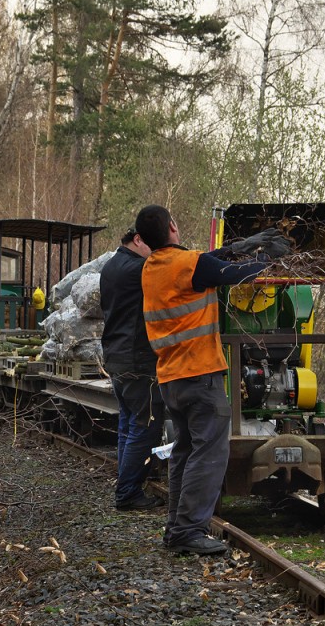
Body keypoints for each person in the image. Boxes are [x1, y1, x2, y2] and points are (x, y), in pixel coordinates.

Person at [135, 204, 280, 555]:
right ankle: (189, 531)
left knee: (184, 452)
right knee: (210, 454)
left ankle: (176, 528)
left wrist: (244, 244)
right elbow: (231, 274)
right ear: (173, 226)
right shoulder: (188, 265)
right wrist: (269, 261)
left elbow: (208, 262)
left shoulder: (153, 267)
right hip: (200, 375)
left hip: (172, 377)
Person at [100, 227, 167, 511]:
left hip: (116, 359)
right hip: (138, 362)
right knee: (146, 426)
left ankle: (126, 485)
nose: (155, 253)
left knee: (128, 425)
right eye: (152, 246)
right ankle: (127, 492)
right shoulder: (138, 269)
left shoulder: (111, 266)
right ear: (138, 239)